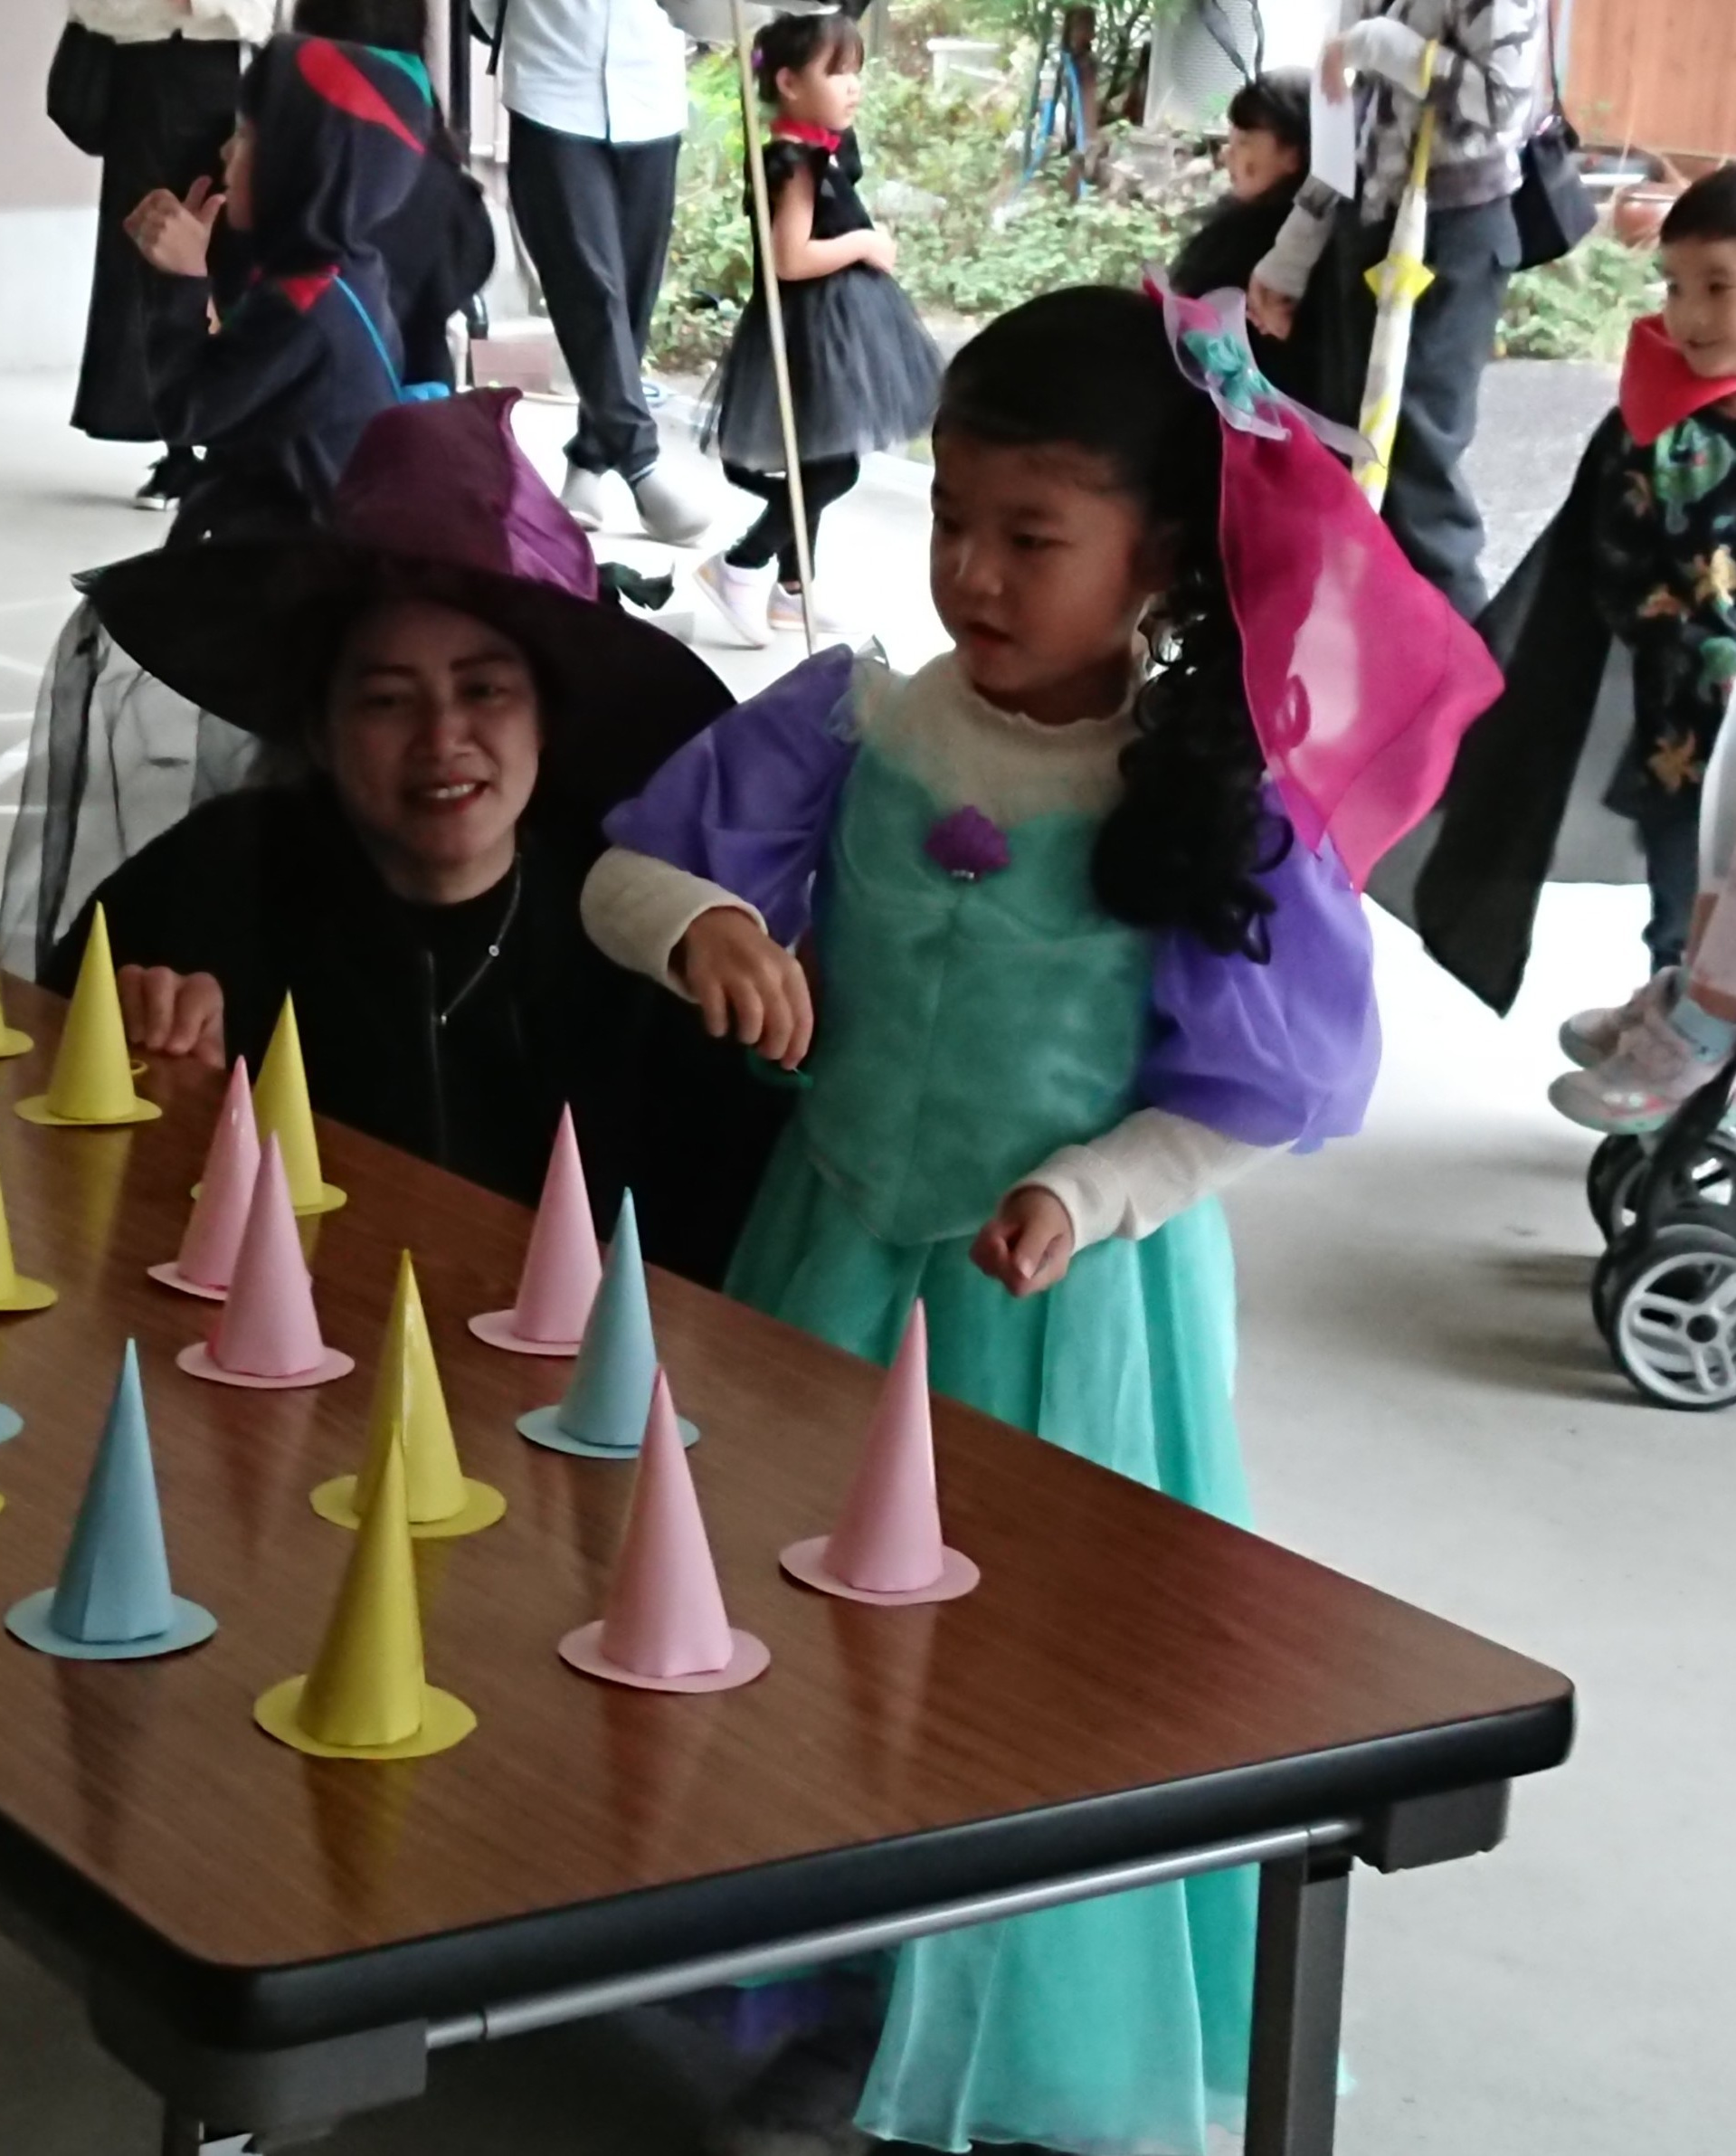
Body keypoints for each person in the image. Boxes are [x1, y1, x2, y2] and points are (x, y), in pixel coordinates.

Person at [587, 284, 1494, 2154]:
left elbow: (1253, 1096)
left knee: (1027, 1668)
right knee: (797, 1612)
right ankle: (823, 1984)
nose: (972, 574)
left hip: (1064, 1317)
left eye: (1031, 535)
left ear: (1154, 558)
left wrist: (1088, 1191)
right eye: (949, 518)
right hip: (833, 1262)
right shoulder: (851, 722)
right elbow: (621, 871)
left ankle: (1002, 2012)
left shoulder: (1203, 804)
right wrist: (711, 924)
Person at [13, 387, 785, 1280]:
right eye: (385, 700)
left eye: (484, 689)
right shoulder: (206, 885)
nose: (441, 736)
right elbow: (46, 1159)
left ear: (545, 718)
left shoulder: (642, 937)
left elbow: (725, 1264)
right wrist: (144, 1065)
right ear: (317, 729)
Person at [1519, 173, 1736, 1133]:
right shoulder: (1656, 421)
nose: (1690, 315)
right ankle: (1674, 1036)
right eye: (1675, 286)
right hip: (1687, 723)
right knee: (1687, 894)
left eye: (1719, 286)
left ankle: (1699, 1074)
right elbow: (1613, 561)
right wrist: (1697, 641)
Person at [1247, 0, 1540, 617]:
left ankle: (1462, 663)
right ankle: (1360, 652)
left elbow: (1505, 103)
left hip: (1448, 231)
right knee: (1341, 451)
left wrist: (1389, 47)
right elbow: (1353, 113)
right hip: (1365, 224)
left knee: (1410, 469)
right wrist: (1293, 251)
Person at [119, 31, 429, 546]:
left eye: (246, 136)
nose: (225, 151)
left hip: (297, 565)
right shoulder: (347, 269)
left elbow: (188, 411)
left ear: (304, 165)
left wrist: (181, 282)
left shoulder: (304, 305)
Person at [691, 8, 938, 651]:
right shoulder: (794, 158)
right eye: (837, 72)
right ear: (790, 83)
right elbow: (789, 258)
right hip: (806, 328)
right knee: (831, 470)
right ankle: (742, 564)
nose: (854, 85)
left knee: (818, 454)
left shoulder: (814, 149)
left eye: (856, 71)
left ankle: (792, 587)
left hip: (830, 324)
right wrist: (864, 243)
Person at [470, 0, 713, 545]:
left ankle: (588, 459)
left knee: (633, 295)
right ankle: (642, 463)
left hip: (652, 89)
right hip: (552, 82)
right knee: (587, 285)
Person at [63, 0, 270, 511]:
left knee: (231, 252)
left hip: (228, 74)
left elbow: (263, 12)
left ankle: (231, 443)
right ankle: (178, 449)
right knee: (148, 254)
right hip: (143, 76)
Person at [284, 0, 493, 394]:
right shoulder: (427, 142)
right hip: (423, 394)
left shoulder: (306, 157)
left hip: (324, 403)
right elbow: (472, 254)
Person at [1169, 70, 1334, 416]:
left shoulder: (1263, 244)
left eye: (1244, 142)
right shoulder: (1254, 226)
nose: (1227, 155)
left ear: (1295, 153)